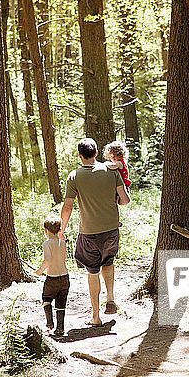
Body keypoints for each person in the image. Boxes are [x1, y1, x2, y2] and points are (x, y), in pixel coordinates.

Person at [60, 138, 131, 327]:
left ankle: (96, 317)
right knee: (108, 262)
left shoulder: (74, 176)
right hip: (111, 229)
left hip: (89, 233)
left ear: (80, 155)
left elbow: (67, 207)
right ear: (97, 153)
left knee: (93, 272)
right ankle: (111, 298)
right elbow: (125, 200)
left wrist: (62, 229)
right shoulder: (111, 171)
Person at [35, 215, 69, 336]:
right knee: (61, 302)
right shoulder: (63, 243)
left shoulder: (46, 244)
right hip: (65, 277)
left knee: (46, 299)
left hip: (52, 278)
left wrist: (39, 271)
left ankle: (49, 323)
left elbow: (48, 259)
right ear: (60, 230)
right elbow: (64, 257)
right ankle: (60, 328)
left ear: (45, 230)